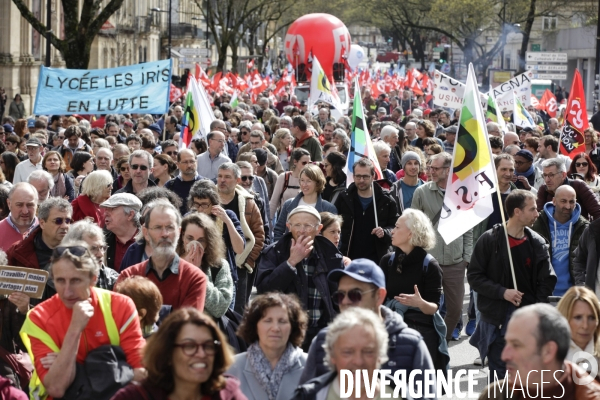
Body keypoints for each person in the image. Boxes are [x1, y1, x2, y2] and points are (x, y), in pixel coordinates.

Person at [20, 241, 146, 399]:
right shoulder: (38, 317)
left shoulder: (120, 305)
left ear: (93, 279)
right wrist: (74, 328)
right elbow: (57, 387)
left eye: (75, 281)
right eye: (60, 281)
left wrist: (69, 364)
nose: (67, 291)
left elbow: (141, 372)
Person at [300, 257, 435, 394]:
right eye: (340, 296)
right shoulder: (324, 340)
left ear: (379, 296)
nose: (345, 301)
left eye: (355, 295)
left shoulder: (410, 343)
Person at [468, 190, 556, 382]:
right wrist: (502, 292)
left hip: (526, 319)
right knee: (499, 376)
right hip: (496, 319)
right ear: (517, 211)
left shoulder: (537, 243)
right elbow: (474, 276)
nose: (537, 214)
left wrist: (536, 309)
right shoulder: (489, 239)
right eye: (532, 209)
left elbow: (547, 279)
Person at [256, 206, 344, 349]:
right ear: (288, 227)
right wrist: (291, 262)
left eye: (308, 225)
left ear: (318, 228)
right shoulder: (274, 252)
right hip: (285, 333)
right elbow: (264, 291)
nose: (302, 230)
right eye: (297, 225)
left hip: (322, 333)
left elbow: (340, 297)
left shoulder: (331, 255)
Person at [111, 308, 246, 400]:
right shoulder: (135, 397)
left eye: (209, 346)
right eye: (189, 346)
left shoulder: (227, 393)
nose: (201, 353)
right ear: (168, 353)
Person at [412, 152, 473, 341]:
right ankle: (428, 341)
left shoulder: (462, 193)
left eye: (435, 168)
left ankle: (441, 340)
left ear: (448, 170)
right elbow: (413, 225)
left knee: (455, 309)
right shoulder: (421, 192)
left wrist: (466, 258)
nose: (430, 171)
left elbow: (468, 229)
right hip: (429, 261)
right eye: (430, 167)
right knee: (426, 306)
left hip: (455, 262)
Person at [480, 304, 600, 399]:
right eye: (507, 343)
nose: (504, 355)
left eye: (516, 345)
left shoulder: (590, 395)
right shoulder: (495, 395)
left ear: (548, 351)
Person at [379, 209, 447, 373]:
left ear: (411, 233)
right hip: (390, 329)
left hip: (422, 333)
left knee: (420, 388)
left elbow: (434, 308)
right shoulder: (387, 261)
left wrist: (420, 303)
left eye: (397, 227)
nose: (392, 231)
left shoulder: (430, 265)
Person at [116, 200, 208, 311]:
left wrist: (143, 313)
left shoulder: (195, 278)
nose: (164, 234)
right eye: (158, 227)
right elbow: (120, 320)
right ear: (146, 233)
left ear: (179, 232)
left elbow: (188, 325)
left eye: (170, 227)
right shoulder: (128, 277)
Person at [293, 307, 396, 399]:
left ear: (380, 354)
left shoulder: (402, 396)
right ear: (332, 355)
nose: (358, 361)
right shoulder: (309, 396)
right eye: (348, 352)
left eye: (368, 351)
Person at [228, 293, 308, 400]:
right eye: (268, 321)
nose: (275, 328)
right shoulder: (232, 367)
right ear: (255, 326)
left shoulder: (311, 366)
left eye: (282, 321)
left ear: (292, 327)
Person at [217, 163, 265, 314]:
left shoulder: (249, 202)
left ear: (237, 180)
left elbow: (259, 235)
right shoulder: (208, 200)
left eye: (227, 177)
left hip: (239, 266)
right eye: (220, 176)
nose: (222, 180)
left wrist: (246, 261)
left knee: (237, 313)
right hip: (213, 263)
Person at [335, 158, 398, 264]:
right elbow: (334, 222)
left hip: (377, 258)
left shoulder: (386, 199)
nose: (361, 180)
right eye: (358, 176)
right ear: (353, 176)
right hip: (349, 258)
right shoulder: (344, 198)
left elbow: (396, 226)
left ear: (373, 176)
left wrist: (384, 232)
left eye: (365, 176)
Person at [532, 185, 588, 296]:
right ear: (554, 201)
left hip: (573, 295)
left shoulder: (584, 227)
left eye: (572, 202)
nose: (568, 206)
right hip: (543, 294)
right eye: (563, 201)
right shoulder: (537, 223)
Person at [176, 212, 233, 319]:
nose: (195, 244)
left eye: (201, 240)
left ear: (209, 242)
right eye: (190, 238)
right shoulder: (170, 260)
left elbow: (220, 307)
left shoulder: (219, 265)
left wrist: (198, 274)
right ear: (182, 236)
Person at [274, 164, 337, 241]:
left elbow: (335, 236)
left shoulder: (328, 208)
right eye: (302, 180)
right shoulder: (289, 204)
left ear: (318, 183)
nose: (304, 184)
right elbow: (278, 230)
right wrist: (281, 250)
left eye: (308, 181)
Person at [62, 219, 119, 290]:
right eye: (93, 248)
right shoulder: (54, 280)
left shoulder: (114, 280)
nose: (100, 254)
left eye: (102, 248)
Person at [556, 286, 600, 372]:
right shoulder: (549, 355)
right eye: (578, 317)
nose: (585, 325)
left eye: (591, 317)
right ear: (565, 318)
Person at [102, 193, 143, 271]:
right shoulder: (102, 242)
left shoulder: (149, 241)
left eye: (112, 209)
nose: (105, 213)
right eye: (105, 209)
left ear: (130, 215)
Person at [269, 148, 310, 220]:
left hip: (303, 221)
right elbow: (273, 203)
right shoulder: (284, 177)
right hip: (284, 221)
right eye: (304, 163)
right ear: (295, 162)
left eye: (309, 163)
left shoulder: (311, 180)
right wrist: (268, 223)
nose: (307, 165)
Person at [165, 149, 205, 215]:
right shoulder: (170, 185)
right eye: (185, 162)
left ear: (196, 162)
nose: (189, 165)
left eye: (192, 161)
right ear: (178, 164)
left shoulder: (206, 184)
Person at [0, 183, 38, 251]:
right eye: (19, 205)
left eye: (30, 205)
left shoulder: (46, 230)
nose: (25, 211)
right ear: (9, 204)